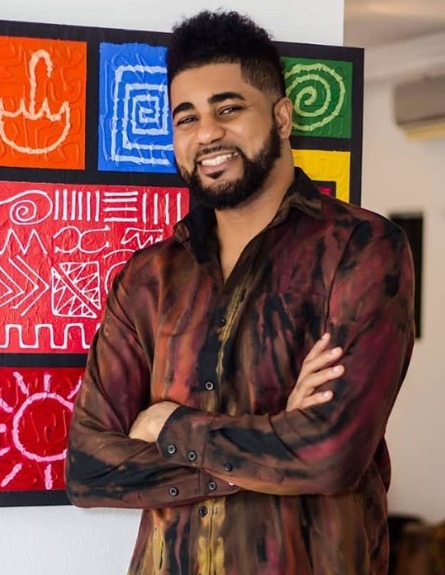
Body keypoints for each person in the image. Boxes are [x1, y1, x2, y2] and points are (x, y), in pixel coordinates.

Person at [65, 10, 415, 575]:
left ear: (282, 116)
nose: (206, 134)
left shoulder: (362, 249)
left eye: (228, 109)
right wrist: (277, 442)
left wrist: (167, 426)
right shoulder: (149, 278)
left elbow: (332, 456)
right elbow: (87, 469)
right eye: (187, 118)